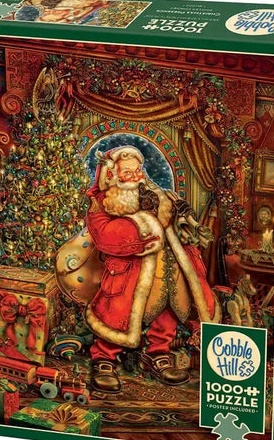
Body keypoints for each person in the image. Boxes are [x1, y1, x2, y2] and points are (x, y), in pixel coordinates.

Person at [85, 146, 220, 393]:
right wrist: (145, 226)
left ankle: (158, 354)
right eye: (128, 172)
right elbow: (104, 235)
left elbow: (177, 223)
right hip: (129, 273)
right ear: (112, 175)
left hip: (167, 266)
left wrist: (180, 220)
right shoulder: (103, 202)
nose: (136, 176)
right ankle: (104, 359)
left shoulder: (158, 194)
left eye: (138, 170)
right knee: (116, 314)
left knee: (168, 306)